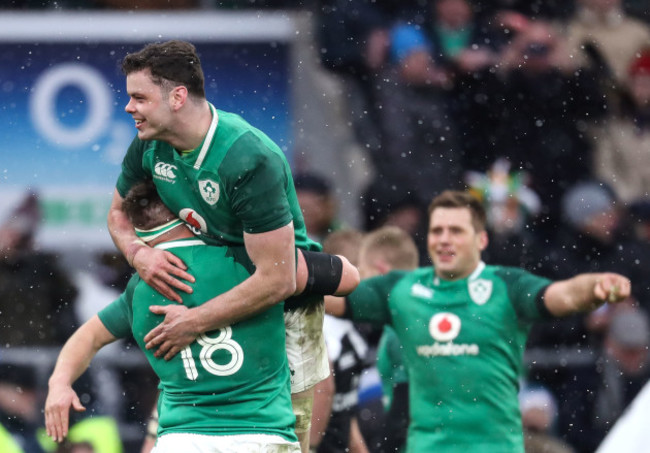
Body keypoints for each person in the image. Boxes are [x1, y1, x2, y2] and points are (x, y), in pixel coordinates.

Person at [106, 40, 359, 452]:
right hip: (216, 282)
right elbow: (117, 214)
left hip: (282, 303)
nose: (129, 108)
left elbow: (275, 280)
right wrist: (140, 254)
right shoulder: (149, 144)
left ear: (178, 96)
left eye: (139, 98)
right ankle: (335, 273)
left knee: (283, 440)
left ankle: (330, 273)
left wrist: (194, 321)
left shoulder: (247, 156)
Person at [327, 190, 631, 452]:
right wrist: (290, 278)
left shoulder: (505, 286)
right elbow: (332, 299)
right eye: (437, 231)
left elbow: (560, 295)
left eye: (456, 231)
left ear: (481, 239)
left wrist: (593, 287)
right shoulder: (402, 289)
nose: (444, 240)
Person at [47, 181, 301, 452]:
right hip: (260, 435)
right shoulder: (249, 260)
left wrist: (59, 383)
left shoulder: (141, 289)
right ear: (191, 212)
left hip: (180, 439)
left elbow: (88, 337)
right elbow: (345, 281)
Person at [355, 226, 420, 453]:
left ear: (381, 272)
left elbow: (406, 405)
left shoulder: (403, 327)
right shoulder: (425, 313)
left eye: (363, 274)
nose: (361, 287)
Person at [310, 229, 369, 453]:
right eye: (366, 267)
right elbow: (322, 391)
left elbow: (344, 405)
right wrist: (310, 447)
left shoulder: (353, 328)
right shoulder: (324, 329)